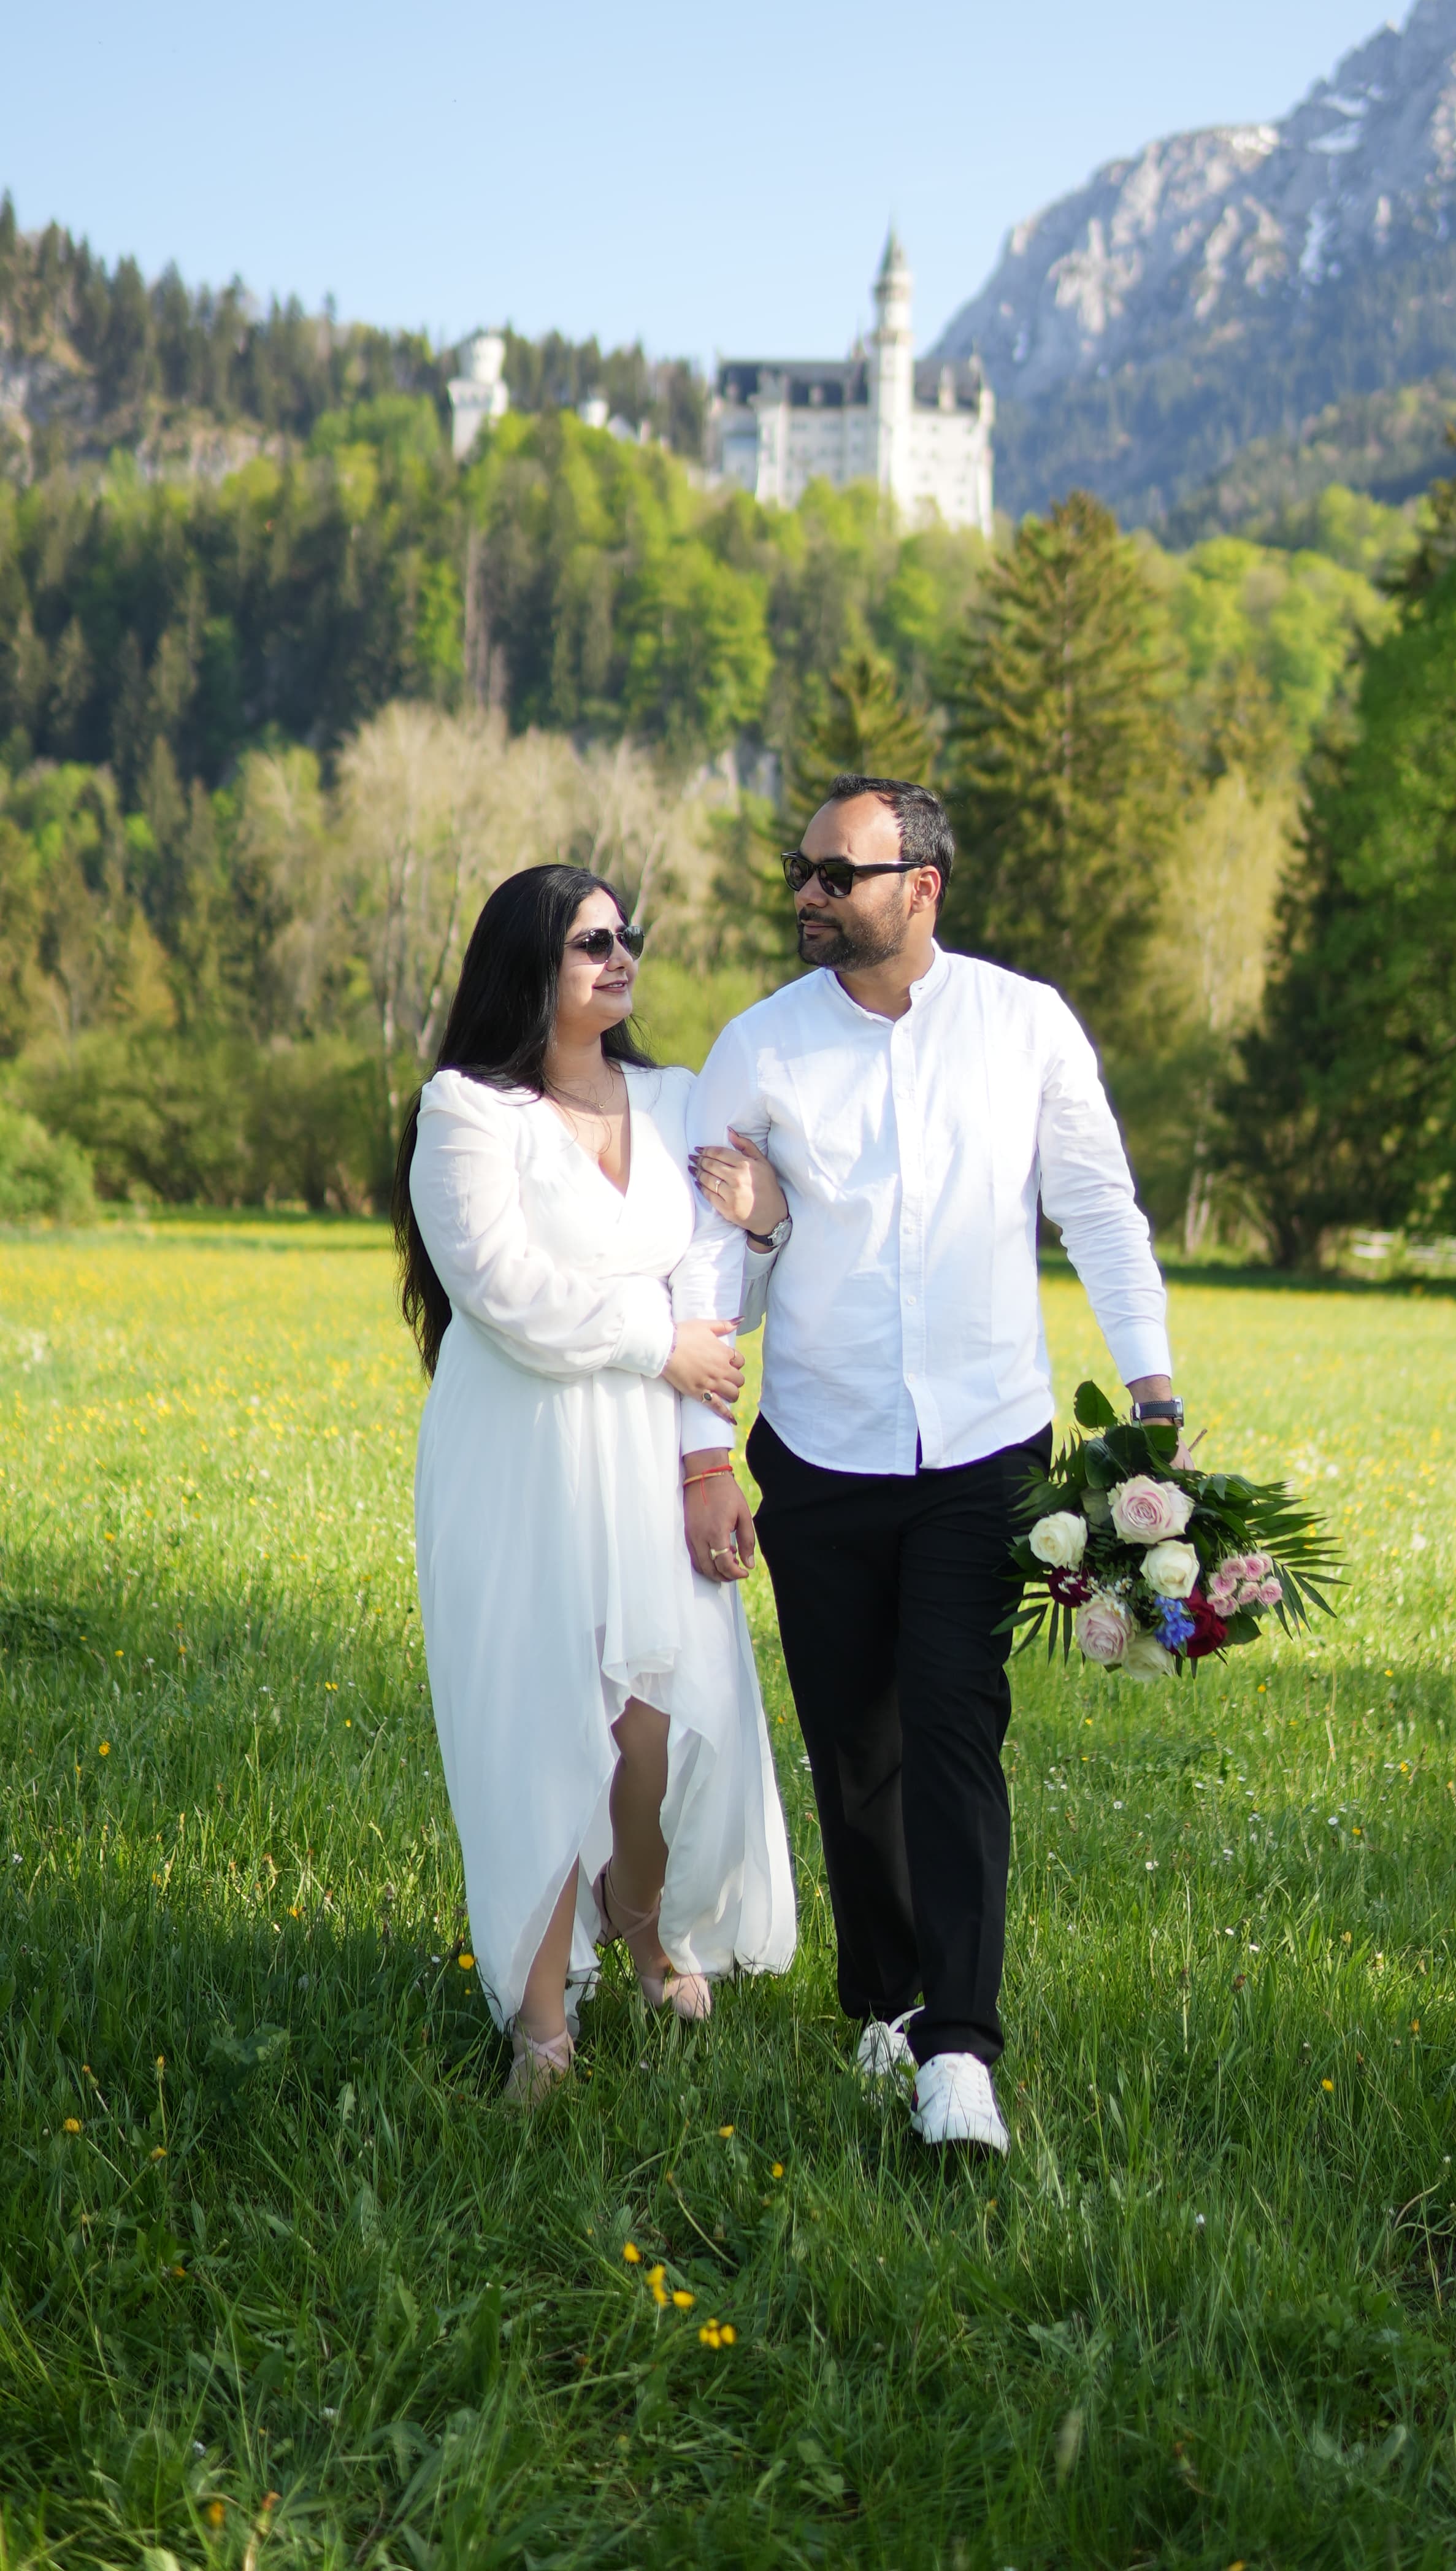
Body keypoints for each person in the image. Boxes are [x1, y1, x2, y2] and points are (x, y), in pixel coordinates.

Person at [675, 778, 1179, 2154]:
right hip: (823, 1453)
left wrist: (1153, 1392)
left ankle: (962, 2050)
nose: (810, 893)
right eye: (804, 870)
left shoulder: (1024, 1027)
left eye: (838, 872)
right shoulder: (759, 1049)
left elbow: (1101, 1213)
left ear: (923, 886)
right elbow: (717, 1270)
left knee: (957, 1727)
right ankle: (885, 2009)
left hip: (982, 1449)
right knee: (857, 1744)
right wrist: (705, 1454)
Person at [392, 864, 796, 2109]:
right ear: (530, 965)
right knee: (536, 1724)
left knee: (651, 1733)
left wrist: (767, 1227)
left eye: (629, 938)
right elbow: (502, 1294)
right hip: (517, 1460)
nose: (621, 959)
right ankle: (540, 2020)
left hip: (644, 1456)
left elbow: (714, 1300)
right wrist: (654, 1337)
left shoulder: (676, 1103)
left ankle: (639, 1906)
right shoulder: (467, 1111)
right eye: (590, 943)